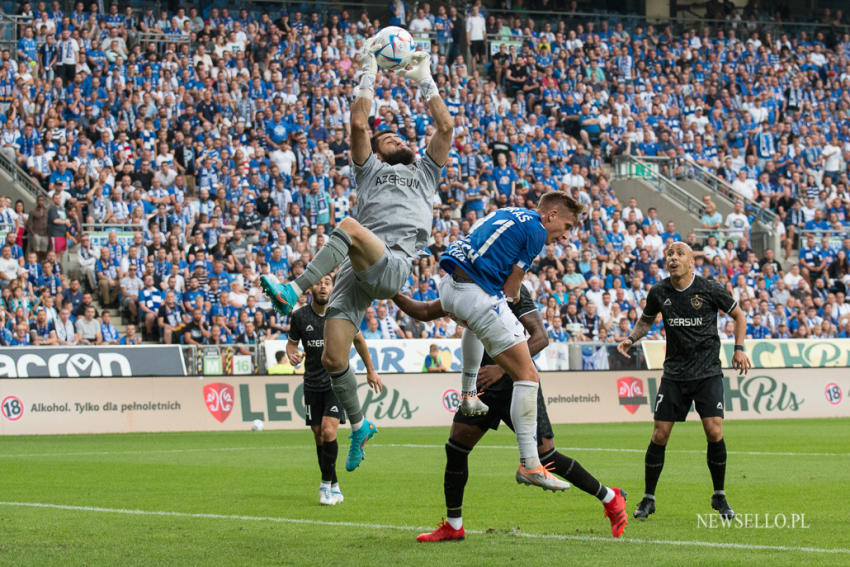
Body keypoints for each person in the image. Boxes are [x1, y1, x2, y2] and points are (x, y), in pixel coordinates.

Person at [260, 42, 452, 471]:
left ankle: (292, 290)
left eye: (399, 135)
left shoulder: (424, 174)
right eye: (388, 139)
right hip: (356, 268)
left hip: (393, 264)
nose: (395, 138)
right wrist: (368, 71)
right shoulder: (369, 171)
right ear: (377, 153)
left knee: (347, 225)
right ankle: (361, 425)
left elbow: (445, 129)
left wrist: (425, 82)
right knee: (332, 359)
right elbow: (359, 123)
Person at [394, 287, 628, 541]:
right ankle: (454, 525)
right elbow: (426, 310)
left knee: (545, 455)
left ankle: (611, 498)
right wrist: (388, 289)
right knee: (456, 446)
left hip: (518, 380)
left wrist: (500, 369)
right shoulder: (468, 284)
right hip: (485, 384)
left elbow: (541, 337)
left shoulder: (511, 288)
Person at [437, 192, 583, 491]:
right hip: (476, 292)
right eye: (566, 225)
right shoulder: (537, 231)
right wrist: (514, 300)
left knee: (475, 325)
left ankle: (467, 394)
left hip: (451, 284)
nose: (565, 235)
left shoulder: (510, 212)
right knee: (527, 374)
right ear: (551, 215)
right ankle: (531, 465)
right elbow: (512, 286)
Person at [616, 242, 751, 520]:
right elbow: (646, 320)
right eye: (670, 254)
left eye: (680, 254)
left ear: (692, 262)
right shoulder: (659, 291)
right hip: (675, 374)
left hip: (707, 372)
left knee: (714, 431)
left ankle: (719, 496)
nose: (673, 258)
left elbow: (739, 316)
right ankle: (648, 498)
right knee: (659, 434)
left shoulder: (710, 289)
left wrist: (739, 349)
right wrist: (631, 338)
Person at [286, 275, 380, 505]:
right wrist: (292, 354)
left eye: (327, 282)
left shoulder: (340, 314)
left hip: (335, 383)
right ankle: (334, 484)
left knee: (329, 431)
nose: (323, 286)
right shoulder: (299, 316)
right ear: (311, 288)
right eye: (318, 282)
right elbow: (291, 344)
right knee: (319, 437)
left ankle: (324, 487)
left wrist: (371, 370)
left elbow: (359, 341)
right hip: (311, 384)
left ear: (333, 287)